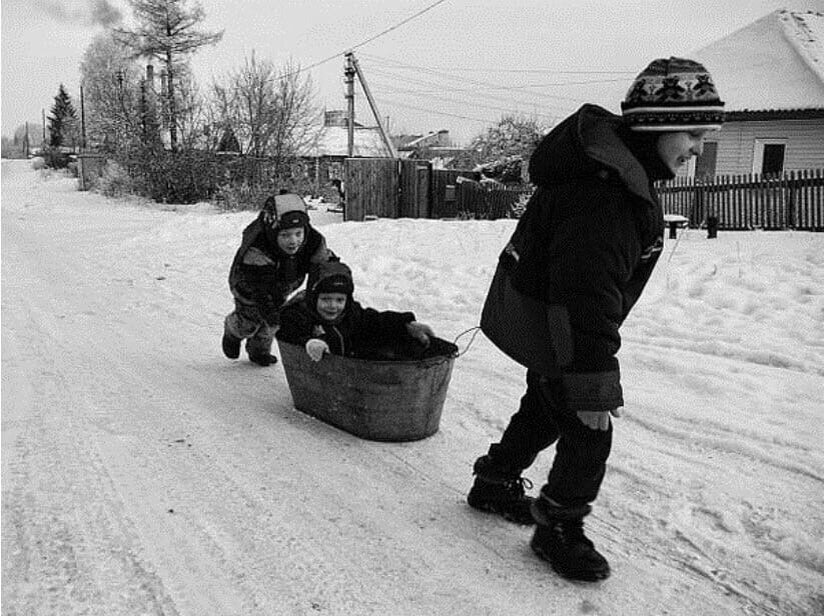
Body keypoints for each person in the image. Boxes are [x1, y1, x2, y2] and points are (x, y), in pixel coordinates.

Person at [470, 57, 724, 582]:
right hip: (562, 326)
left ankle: (494, 480)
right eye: (693, 133)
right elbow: (584, 299)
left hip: (548, 323)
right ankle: (558, 526)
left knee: (543, 404)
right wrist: (593, 386)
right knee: (589, 430)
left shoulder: (616, 171)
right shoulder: (604, 194)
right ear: (656, 125)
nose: (698, 147)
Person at [222, 192, 332, 366]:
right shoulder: (258, 249)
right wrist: (273, 317)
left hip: (283, 281)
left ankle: (258, 351)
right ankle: (232, 330)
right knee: (251, 320)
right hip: (249, 284)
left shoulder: (314, 241)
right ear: (273, 232)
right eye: (285, 235)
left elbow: (322, 268)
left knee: (272, 322)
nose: (293, 241)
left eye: (298, 233)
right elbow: (262, 293)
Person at [276, 260, 444, 362]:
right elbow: (287, 334)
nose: (333, 306)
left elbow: (375, 320)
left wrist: (406, 324)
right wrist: (309, 342)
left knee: (394, 343)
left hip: (353, 366)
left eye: (340, 300)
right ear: (314, 298)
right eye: (326, 299)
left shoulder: (350, 312)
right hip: (327, 376)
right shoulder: (300, 315)